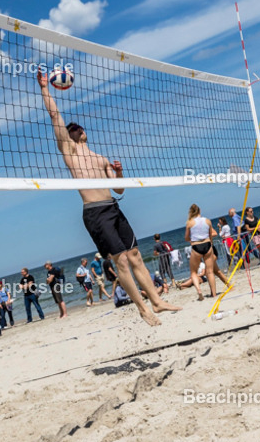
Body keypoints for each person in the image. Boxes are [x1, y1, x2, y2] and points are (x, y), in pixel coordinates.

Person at [37, 68, 181, 326]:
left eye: (78, 127)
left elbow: (120, 189)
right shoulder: (70, 153)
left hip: (113, 207)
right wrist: (45, 89)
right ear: (68, 137)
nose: (76, 128)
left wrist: (119, 173)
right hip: (95, 212)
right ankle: (142, 308)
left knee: (135, 254)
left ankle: (156, 301)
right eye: (72, 128)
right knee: (121, 260)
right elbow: (55, 116)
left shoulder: (100, 158)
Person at [177, 204, 230, 300]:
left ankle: (201, 291)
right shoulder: (206, 221)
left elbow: (187, 237)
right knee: (213, 272)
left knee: (200, 272)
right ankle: (218, 292)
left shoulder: (191, 223)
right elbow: (210, 235)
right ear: (199, 211)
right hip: (208, 246)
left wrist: (195, 239)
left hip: (203, 247)